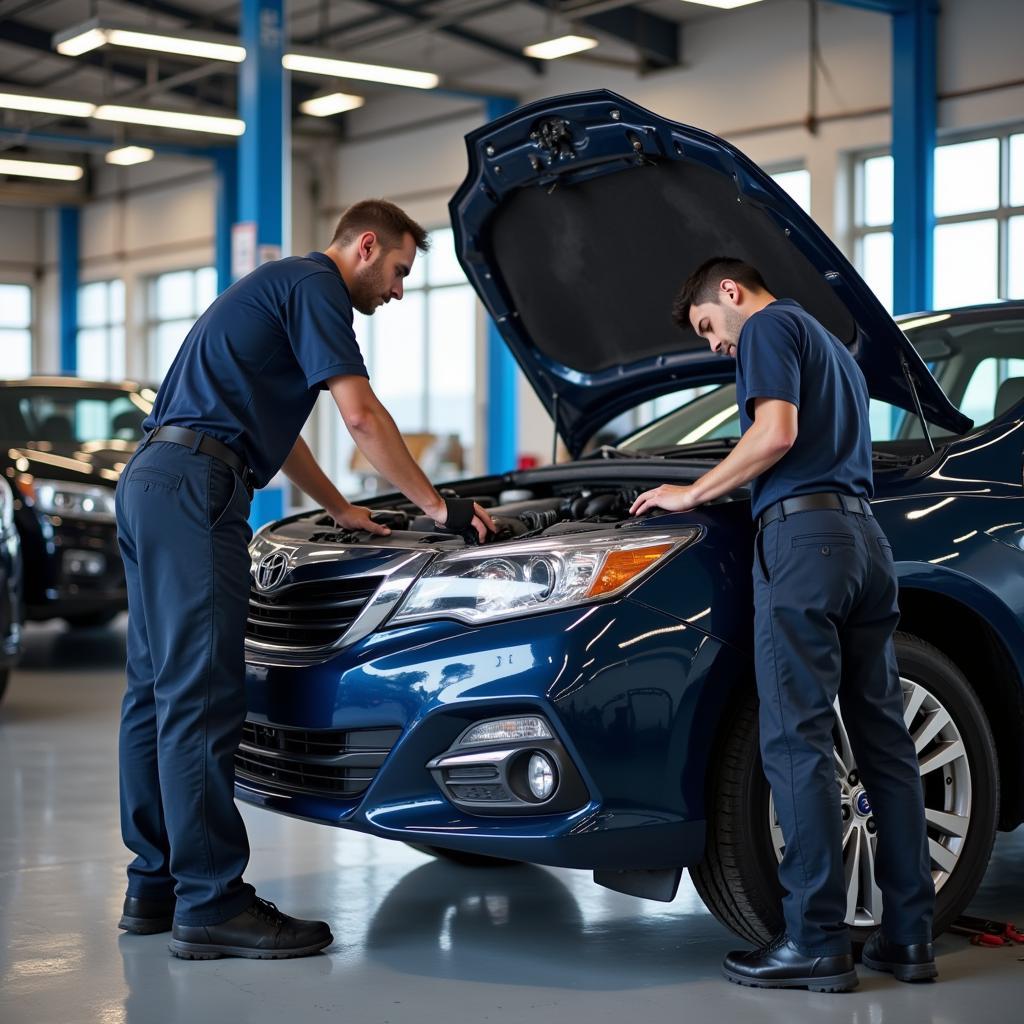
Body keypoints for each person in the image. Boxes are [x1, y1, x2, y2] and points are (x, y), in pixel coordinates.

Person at [115, 199, 495, 961]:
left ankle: (154, 884)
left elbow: (276, 432)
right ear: (364, 245)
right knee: (202, 694)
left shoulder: (277, 290)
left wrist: (341, 507)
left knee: (155, 694)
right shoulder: (318, 289)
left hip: (158, 478)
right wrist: (441, 505)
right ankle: (211, 901)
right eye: (397, 271)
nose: (396, 291)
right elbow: (359, 416)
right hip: (197, 491)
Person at [630, 257, 935, 992]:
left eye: (708, 326)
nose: (714, 346)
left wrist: (690, 491)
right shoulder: (832, 347)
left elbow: (773, 434)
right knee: (884, 743)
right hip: (866, 544)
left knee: (796, 740)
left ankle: (815, 941)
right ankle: (909, 940)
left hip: (803, 545)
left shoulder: (767, 326)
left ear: (730, 293)